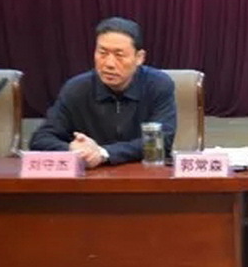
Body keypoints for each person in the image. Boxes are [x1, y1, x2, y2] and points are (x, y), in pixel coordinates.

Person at [29, 17, 176, 167]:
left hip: (143, 174)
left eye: (119, 55)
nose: (109, 64)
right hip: (91, 176)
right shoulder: (77, 89)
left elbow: (162, 139)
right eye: (102, 53)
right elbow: (41, 139)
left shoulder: (157, 85)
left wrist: (104, 153)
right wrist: (74, 150)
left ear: (139, 57)